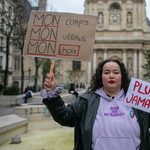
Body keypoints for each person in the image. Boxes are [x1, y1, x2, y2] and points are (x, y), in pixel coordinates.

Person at [41, 59, 150, 150]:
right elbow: (64, 117)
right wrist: (52, 93)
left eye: (116, 72)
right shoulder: (86, 102)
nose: (111, 76)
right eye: (106, 72)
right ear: (100, 76)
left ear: (122, 76)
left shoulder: (138, 102)